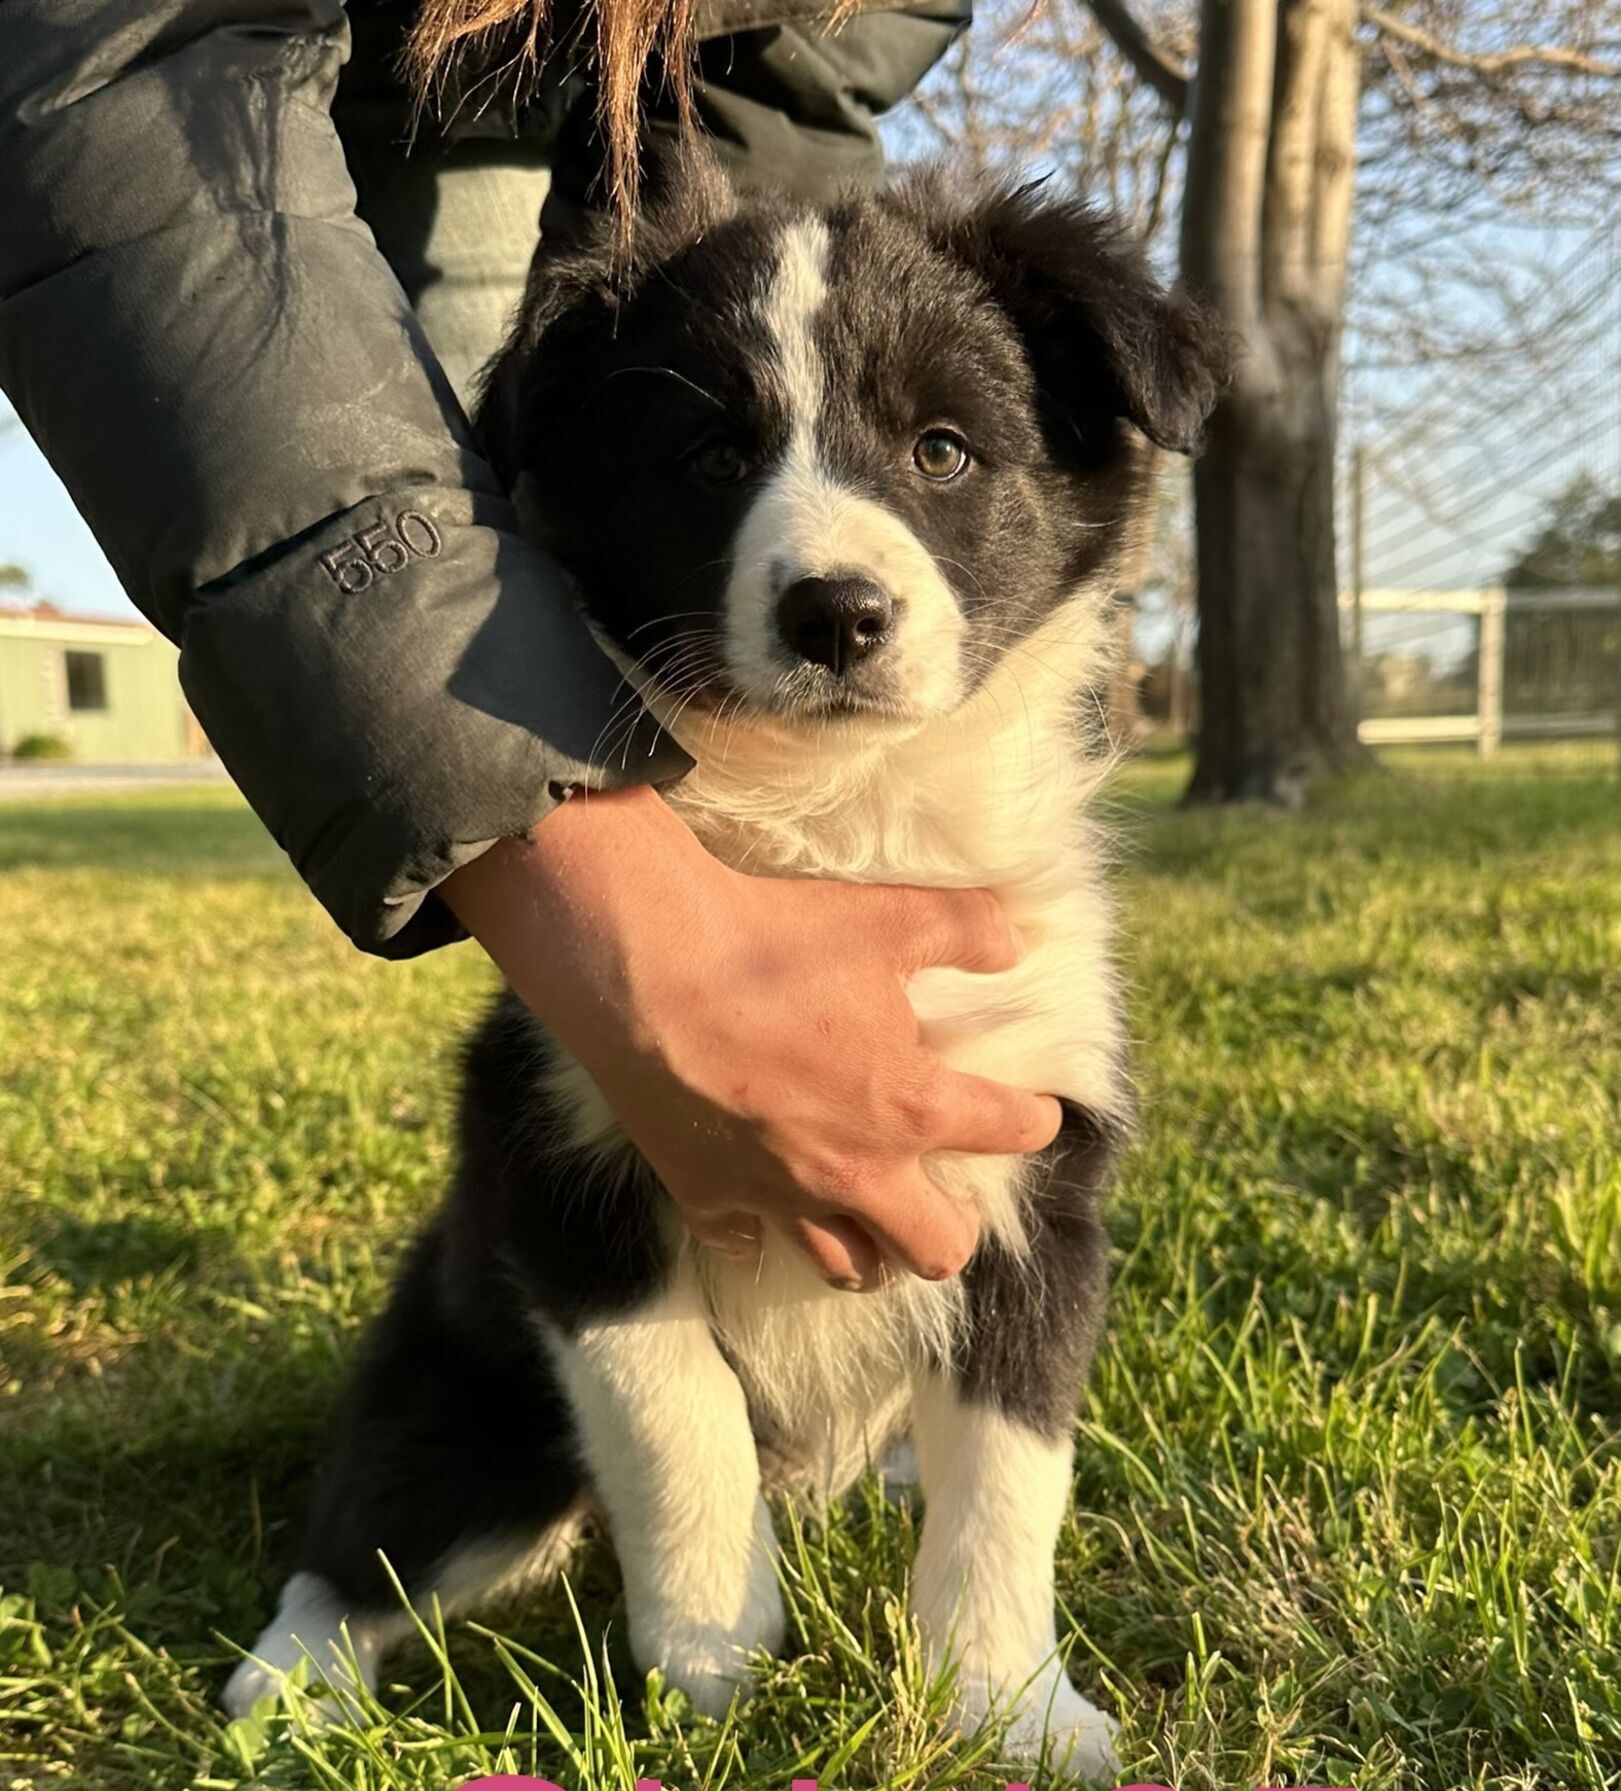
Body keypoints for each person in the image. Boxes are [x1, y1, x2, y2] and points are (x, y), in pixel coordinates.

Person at [0, 0, 1062, 1293]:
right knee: (484, 527)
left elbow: (779, 97)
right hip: (265, 86)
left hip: (610, 64)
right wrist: (617, 920)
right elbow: (120, 80)